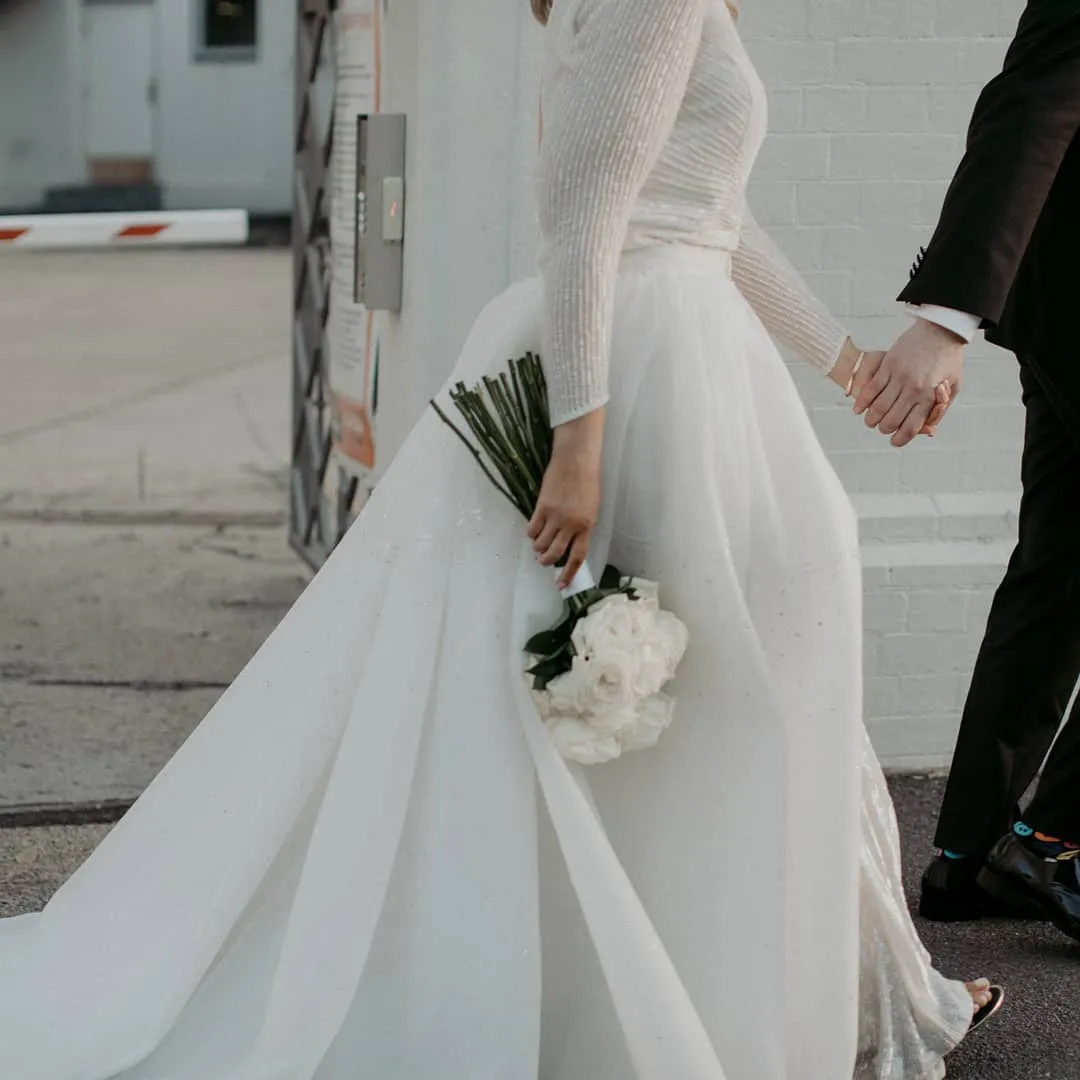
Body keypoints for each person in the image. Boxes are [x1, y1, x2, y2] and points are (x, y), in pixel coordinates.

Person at [0, 2, 1000, 1077]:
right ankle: (693, 1005)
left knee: (738, 689)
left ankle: (804, 990)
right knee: (717, 689)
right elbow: (585, 214)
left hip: (688, 349)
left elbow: (713, 215)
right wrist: (579, 442)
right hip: (648, 371)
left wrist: (842, 362)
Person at [852, 0, 1080, 941]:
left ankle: (971, 856)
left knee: (1059, 569)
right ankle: (1053, 841)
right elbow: (1034, 104)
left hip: (1061, 304)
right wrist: (945, 319)